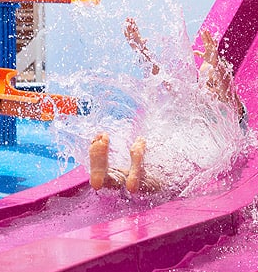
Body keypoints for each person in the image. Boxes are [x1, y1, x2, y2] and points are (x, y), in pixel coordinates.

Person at [88, 18, 245, 194]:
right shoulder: (194, 101)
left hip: (189, 152)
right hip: (183, 151)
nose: (208, 89)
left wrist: (217, 65)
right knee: (154, 176)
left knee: (155, 176)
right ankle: (107, 176)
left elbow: (228, 92)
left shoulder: (230, 110)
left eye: (213, 84)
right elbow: (161, 78)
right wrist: (141, 49)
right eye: (205, 83)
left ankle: (125, 175)